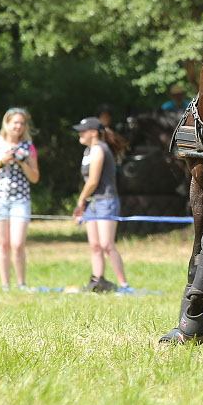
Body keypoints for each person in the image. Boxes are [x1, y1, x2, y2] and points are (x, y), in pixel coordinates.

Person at [0, 108, 40, 290]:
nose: (18, 126)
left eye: (22, 123)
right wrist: (2, 161)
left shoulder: (29, 147)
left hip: (20, 200)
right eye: (15, 122)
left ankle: (22, 283)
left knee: (17, 243)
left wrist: (23, 162)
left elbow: (35, 177)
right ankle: (5, 285)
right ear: (7, 123)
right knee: (3, 244)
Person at [71, 117, 128, 292]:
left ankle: (124, 285)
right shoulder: (88, 151)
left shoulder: (99, 150)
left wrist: (80, 201)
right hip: (93, 203)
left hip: (106, 201)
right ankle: (98, 281)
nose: (80, 133)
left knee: (107, 245)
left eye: (83, 130)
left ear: (94, 132)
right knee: (95, 245)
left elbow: (93, 181)